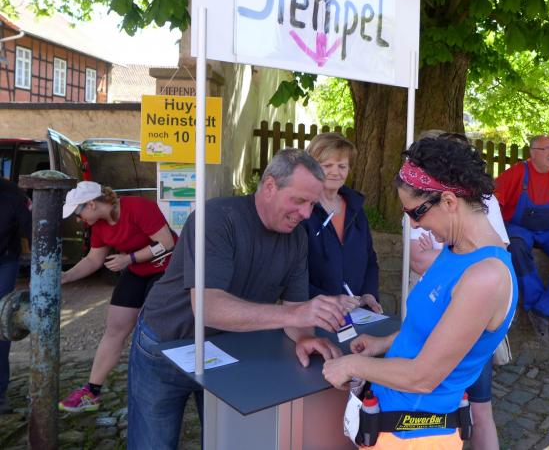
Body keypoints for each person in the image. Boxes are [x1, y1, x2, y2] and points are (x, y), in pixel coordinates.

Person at [127, 149, 357, 449]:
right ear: (270, 186)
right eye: (299, 200)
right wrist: (297, 315)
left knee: (223, 439)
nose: (305, 214)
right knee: (152, 442)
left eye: (312, 204)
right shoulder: (217, 218)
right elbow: (207, 307)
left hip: (226, 350)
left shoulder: (297, 238)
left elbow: (294, 306)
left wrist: (303, 336)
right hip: (166, 343)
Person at [322, 137, 517, 449]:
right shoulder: (456, 249)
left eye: (416, 213)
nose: (414, 225)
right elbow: (433, 328)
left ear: (449, 202)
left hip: (417, 434)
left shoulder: (486, 277)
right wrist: (384, 342)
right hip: (390, 418)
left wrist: (351, 365)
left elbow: (423, 377)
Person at [409, 131, 510, 450]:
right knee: (455, 411)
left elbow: (496, 254)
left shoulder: (480, 203)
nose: (414, 224)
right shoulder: (420, 198)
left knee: (478, 409)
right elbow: (418, 259)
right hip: (434, 322)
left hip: (464, 325)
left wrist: (354, 365)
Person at [58, 181, 176, 413]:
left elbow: (167, 243)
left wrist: (129, 259)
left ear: (91, 204)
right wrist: (65, 277)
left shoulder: (137, 207)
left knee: (156, 328)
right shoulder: (99, 226)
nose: (78, 220)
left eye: (78, 214)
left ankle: (166, 388)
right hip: (137, 270)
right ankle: (92, 391)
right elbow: (93, 260)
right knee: (115, 327)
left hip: (167, 268)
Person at [494, 135, 549, 338]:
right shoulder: (517, 172)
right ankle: (534, 300)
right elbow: (492, 203)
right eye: (546, 149)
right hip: (519, 228)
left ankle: (543, 309)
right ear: (532, 153)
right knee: (516, 248)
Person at [302, 132, 382, 312]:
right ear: (311, 168)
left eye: (342, 166)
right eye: (327, 165)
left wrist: (369, 293)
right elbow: (293, 274)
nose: (335, 172)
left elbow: (370, 258)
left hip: (357, 312)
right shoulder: (303, 211)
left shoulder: (355, 208)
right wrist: (330, 301)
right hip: (314, 313)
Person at [0, 178, 31, 415]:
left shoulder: (13, 194)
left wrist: (39, 272)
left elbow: (33, 231)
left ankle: (0, 392)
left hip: (4, 260)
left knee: (2, 321)